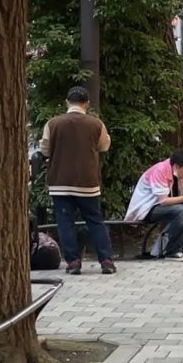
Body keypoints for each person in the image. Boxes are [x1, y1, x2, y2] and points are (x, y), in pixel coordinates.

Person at [40, 86, 117, 276]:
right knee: (95, 220)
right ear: (87, 104)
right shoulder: (96, 124)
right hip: (87, 181)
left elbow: (45, 150)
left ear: (67, 102)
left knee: (65, 223)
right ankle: (106, 260)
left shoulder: (53, 123)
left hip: (60, 181)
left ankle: (73, 262)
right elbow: (104, 146)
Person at [124, 149, 183, 261]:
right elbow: (163, 201)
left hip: (166, 206)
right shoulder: (160, 171)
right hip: (148, 209)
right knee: (180, 210)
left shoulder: (182, 174)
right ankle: (172, 251)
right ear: (177, 166)